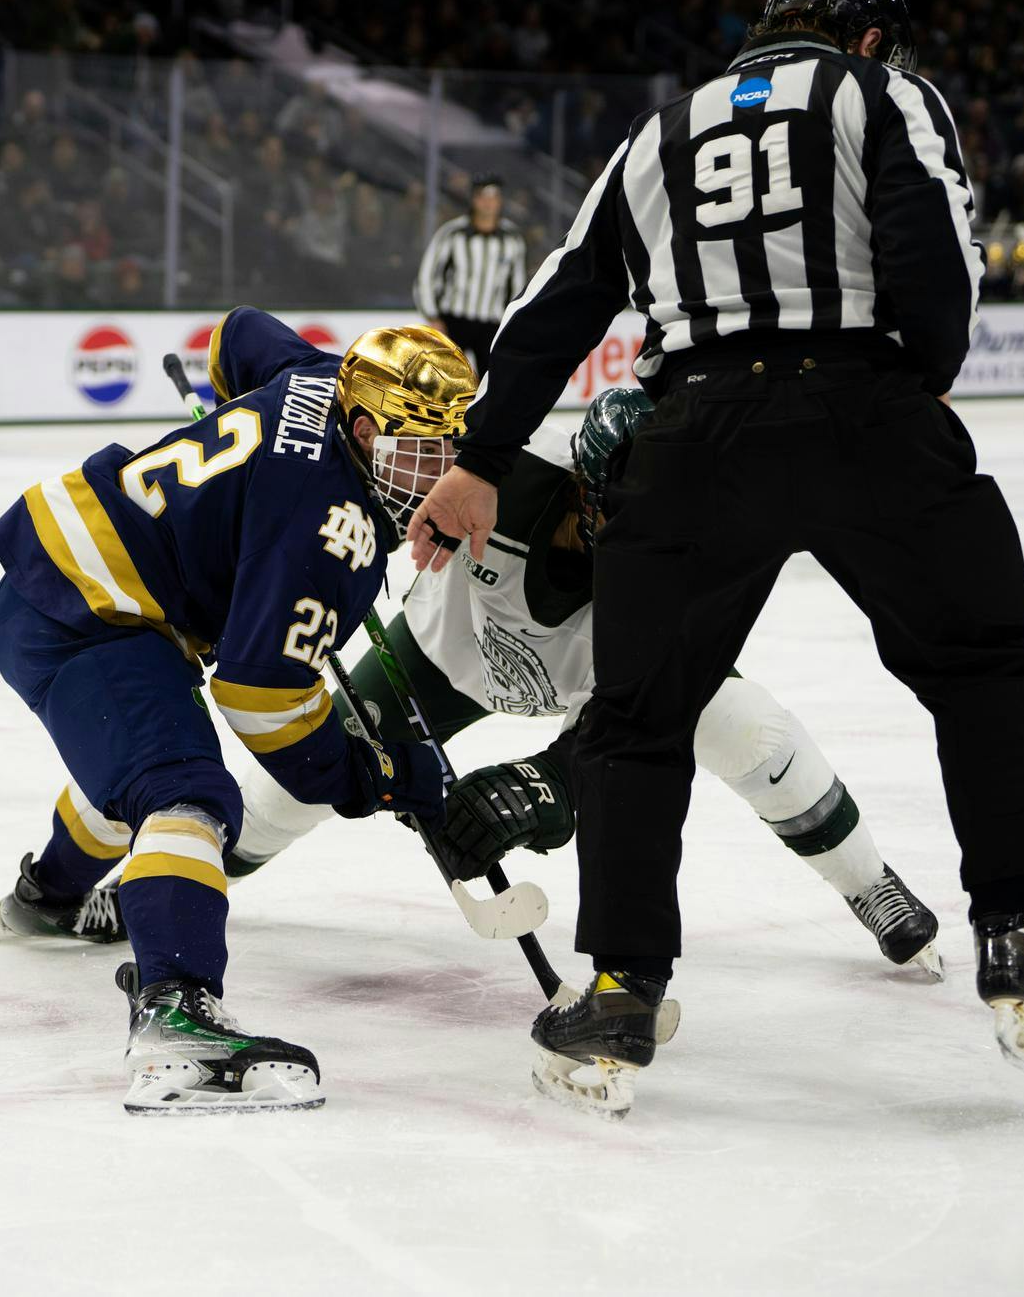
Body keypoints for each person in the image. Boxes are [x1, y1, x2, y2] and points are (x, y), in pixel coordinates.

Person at [409, 0, 1024, 1112]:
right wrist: (911, 383)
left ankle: (620, 988)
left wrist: (477, 458)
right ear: (869, 37)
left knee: (634, 720)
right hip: (865, 408)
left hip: (693, 434)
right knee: (985, 667)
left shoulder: (657, 132)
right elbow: (938, 271)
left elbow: (558, 301)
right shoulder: (881, 97)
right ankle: (1013, 939)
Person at [222, 389, 944, 977]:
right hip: (447, 654)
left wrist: (542, 789)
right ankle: (194, 872)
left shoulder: (685, 566)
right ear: (583, 482)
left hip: (604, 683)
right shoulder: (505, 470)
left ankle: (868, 879)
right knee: (303, 770)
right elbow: (387, 478)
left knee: (754, 731)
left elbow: (617, 736)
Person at [0, 307, 470, 1114]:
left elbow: (238, 333)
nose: (437, 473)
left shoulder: (320, 375)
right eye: (418, 453)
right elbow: (260, 692)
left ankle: (46, 897)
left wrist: (240, 465)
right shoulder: (335, 529)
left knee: (136, 768)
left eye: (450, 449)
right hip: (88, 610)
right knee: (188, 792)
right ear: (361, 424)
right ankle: (176, 1008)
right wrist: (367, 776)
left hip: (76, 574)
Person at [413, 174, 529, 374]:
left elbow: (517, 285)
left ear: (500, 202)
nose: (488, 203)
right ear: (474, 200)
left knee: (491, 382)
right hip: (454, 321)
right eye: (483, 197)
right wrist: (432, 316)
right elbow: (427, 275)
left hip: (492, 323)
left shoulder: (512, 239)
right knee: (445, 378)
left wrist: (512, 322)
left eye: (493, 197)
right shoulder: (452, 233)